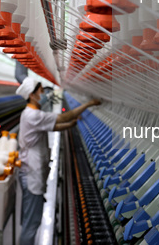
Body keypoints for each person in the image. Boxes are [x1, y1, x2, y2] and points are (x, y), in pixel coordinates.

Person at [15, 77, 101, 244]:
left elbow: (54, 126)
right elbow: (62, 117)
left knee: (29, 220)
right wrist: (88, 104)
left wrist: (70, 126)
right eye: (41, 91)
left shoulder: (29, 114)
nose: (44, 94)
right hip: (32, 173)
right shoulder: (33, 115)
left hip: (29, 170)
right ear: (32, 95)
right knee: (31, 224)